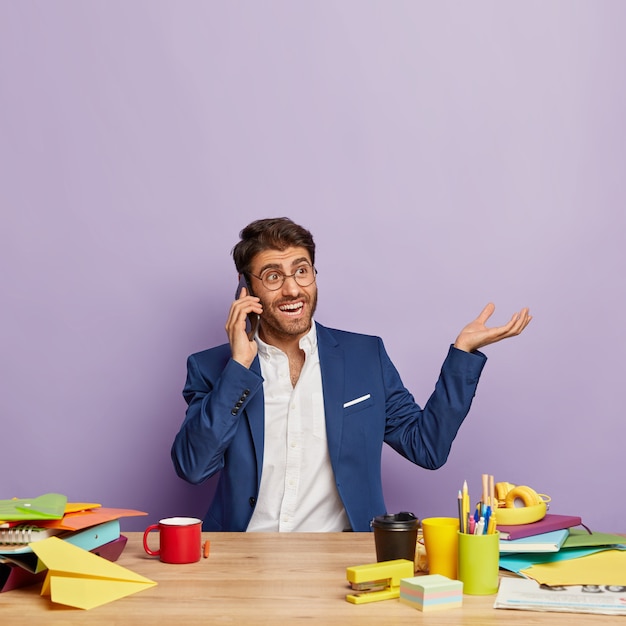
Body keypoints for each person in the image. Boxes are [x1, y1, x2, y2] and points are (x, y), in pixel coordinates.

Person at [171, 217, 531, 532]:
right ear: (246, 288)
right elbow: (194, 467)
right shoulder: (210, 368)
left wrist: (462, 355)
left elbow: (428, 447)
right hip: (243, 557)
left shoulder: (365, 358)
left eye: (302, 270)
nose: (293, 288)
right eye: (273, 276)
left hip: (340, 558)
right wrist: (238, 367)